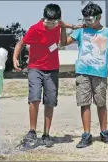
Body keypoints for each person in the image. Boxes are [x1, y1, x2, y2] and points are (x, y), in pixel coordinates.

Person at [12, 3, 83, 148]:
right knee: (35, 97)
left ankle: (46, 134)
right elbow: (21, 43)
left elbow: (64, 31)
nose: (51, 25)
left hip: (52, 69)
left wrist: (72, 27)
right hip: (35, 68)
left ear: (58, 20)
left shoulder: (58, 25)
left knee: (50, 101)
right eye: (48, 22)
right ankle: (32, 131)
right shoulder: (35, 29)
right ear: (43, 18)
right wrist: (15, 58)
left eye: (54, 23)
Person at [60, 2, 108, 148]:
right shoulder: (81, 31)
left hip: (100, 74)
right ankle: (86, 135)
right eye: (85, 19)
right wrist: (63, 27)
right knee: (84, 103)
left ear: (99, 17)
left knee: (101, 103)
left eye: (90, 19)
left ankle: (104, 132)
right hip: (82, 72)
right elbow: (63, 43)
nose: (87, 22)